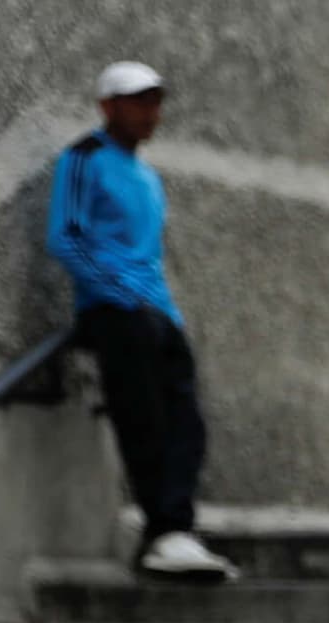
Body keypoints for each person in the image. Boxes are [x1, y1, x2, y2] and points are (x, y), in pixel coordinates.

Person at [49, 63, 232, 582]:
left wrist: (163, 310)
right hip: (115, 312)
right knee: (143, 418)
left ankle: (175, 531)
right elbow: (66, 237)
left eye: (154, 101)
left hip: (158, 312)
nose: (149, 112)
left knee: (187, 422)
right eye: (136, 101)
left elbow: (147, 252)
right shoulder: (84, 158)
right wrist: (120, 296)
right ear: (108, 106)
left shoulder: (147, 176)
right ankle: (164, 529)